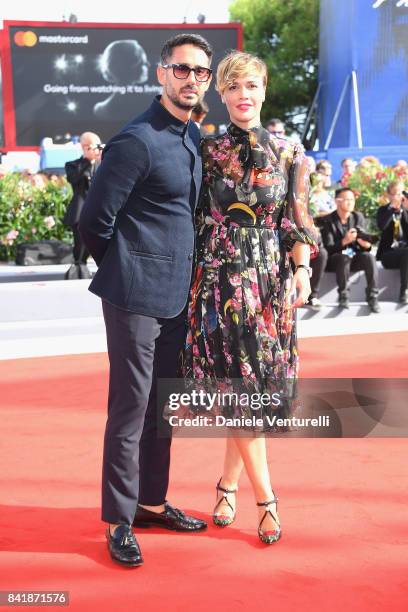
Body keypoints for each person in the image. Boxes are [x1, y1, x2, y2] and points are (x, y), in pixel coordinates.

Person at [79, 33, 213, 567]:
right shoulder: (136, 140)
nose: (191, 79)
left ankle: (152, 502)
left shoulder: (191, 136)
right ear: (161, 74)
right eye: (182, 69)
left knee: (165, 407)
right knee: (131, 408)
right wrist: (128, 266)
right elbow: (94, 223)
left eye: (200, 72)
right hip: (134, 296)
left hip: (178, 296)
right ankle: (118, 520)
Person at [183, 51, 317, 545]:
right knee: (241, 391)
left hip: (270, 281)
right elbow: (190, 217)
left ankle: (227, 483)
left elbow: (298, 221)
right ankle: (267, 498)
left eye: (252, 85)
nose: (244, 95)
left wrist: (301, 269)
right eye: (234, 86)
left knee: (252, 390)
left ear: (264, 91)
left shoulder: (291, 154)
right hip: (219, 280)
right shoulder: (206, 151)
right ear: (222, 93)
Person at [321, 187, 380, 312]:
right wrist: (344, 241)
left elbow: (366, 244)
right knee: (343, 257)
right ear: (337, 201)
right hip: (335, 260)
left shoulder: (358, 217)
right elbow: (327, 249)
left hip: (354, 257)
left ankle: (372, 296)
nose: (351, 203)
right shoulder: (328, 220)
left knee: (369, 257)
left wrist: (366, 245)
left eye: (352, 200)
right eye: (347, 199)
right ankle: (344, 295)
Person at [63, 132, 102, 279]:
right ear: (83, 147)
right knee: (81, 241)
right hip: (81, 210)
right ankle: (80, 265)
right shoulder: (73, 165)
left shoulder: (103, 163)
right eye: (89, 147)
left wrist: (101, 158)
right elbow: (73, 179)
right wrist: (88, 161)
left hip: (101, 210)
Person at [376, 181, 408, 305]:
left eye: (400, 193)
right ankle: (404, 291)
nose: (397, 197)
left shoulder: (405, 210)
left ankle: (404, 291)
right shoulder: (383, 210)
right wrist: (392, 210)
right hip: (388, 254)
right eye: (394, 194)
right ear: (388, 195)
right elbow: (382, 226)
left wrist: (405, 210)